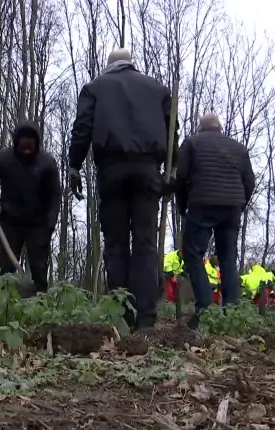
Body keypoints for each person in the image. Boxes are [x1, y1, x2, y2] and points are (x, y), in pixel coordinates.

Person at [67, 48, 176, 332]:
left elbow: (82, 127)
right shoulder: (157, 89)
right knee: (145, 244)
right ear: (131, 64)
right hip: (147, 171)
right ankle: (146, 317)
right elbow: (171, 130)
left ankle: (121, 314)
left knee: (115, 243)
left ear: (109, 66)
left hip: (112, 170)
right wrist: (170, 170)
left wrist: (74, 166)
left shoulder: (95, 88)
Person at [175, 114, 255, 329]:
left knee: (193, 254)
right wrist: (240, 204)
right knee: (228, 258)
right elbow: (249, 181)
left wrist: (182, 205)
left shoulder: (192, 143)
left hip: (202, 204)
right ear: (219, 127)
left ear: (201, 128)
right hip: (231, 207)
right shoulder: (238, 148)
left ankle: (205, 310)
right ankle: (231, 311)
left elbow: (180, 177)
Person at [0, 120, 60, 294]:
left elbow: (55, 195)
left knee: (39, 266)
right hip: (9, 221)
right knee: (5, 268)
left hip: (38, 223)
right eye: (22, 147)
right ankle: (2, 303)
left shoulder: (47, 163)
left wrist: (50, 223)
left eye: (29, 148)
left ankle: (41, 304)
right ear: (16, 143)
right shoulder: (2, 160)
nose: (26, 152)